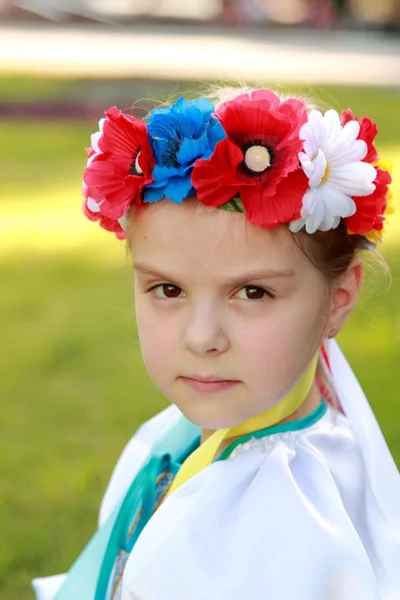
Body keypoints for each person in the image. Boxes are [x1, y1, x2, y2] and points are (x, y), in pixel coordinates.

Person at [32, 86, 399, 600]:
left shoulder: (286, 527)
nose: (202, 338)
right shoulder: (190, 434)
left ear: (338, 299)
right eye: (168, 289)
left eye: (253, 292)